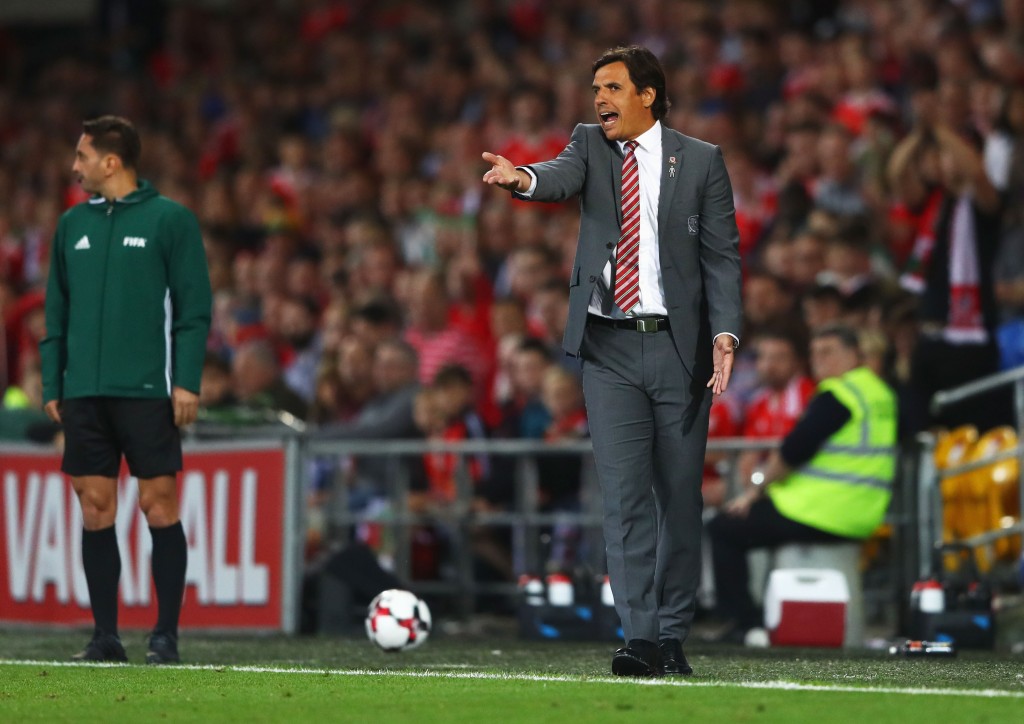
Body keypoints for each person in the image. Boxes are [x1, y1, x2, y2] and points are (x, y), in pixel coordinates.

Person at [482, 45, 742, 677]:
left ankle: (674, 632)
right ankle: (641, 637)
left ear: (647, 95)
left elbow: (721, 256)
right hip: (608, 347)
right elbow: (556, 176)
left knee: (679, 499)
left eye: (613, 87)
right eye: (596, 88)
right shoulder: (589, 145)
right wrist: (523, 179)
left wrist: (725, 333)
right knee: (623, 499)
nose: (600, 98)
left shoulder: (700, 160)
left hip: (679, 348)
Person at [39, 116, 212, 664]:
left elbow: (194, 309)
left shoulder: (171, 220)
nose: (75, 166)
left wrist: (186, 381)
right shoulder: (71, 225)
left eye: (82, 156)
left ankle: (165, 636)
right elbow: (56, 311)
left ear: (111, 162)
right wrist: (53, 380)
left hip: (147, 390)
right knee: (95, 507)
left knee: (158, 506)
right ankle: (105, 637)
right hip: (84, 391)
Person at [707, 324, 897, 642]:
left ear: (854, 355)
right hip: (864, 512)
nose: (819, 360)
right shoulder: (881, 393)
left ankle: (746, 625)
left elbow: (793, 450)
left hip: (820, 511)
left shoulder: (839, 394)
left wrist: (754, 491)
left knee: (725, 528)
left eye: (828, 352)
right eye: (814, 353)